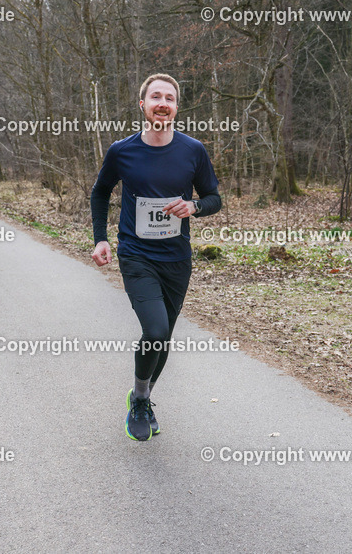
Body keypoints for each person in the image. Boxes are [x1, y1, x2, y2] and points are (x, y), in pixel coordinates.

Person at [90, 73, 221, 441]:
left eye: (169, 98)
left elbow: (214, 198)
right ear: (143, 105)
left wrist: (194, 206)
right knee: (156, 330)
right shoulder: (122, 150)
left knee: (163, 339)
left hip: (177, 259)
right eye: (156, 97)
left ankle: (143, 397)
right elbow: (100, 193)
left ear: (176, 107)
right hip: (136, 255)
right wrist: (100, 239)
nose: (163, 103)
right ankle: (140, 400)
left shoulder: (193, 150)